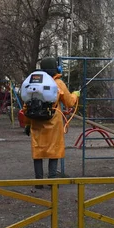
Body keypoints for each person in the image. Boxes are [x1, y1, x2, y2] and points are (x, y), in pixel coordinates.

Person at [24, 57, 79, 189]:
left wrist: (28, 123)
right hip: (53, 123)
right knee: (54, 150)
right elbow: (69, 102)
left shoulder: (34, 82)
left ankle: (38, 181)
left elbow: (26, 105)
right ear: (56, 68)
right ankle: (52, 179)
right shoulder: (58, 83)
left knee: (38, 151)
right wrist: (76, 94)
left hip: (36, 122)